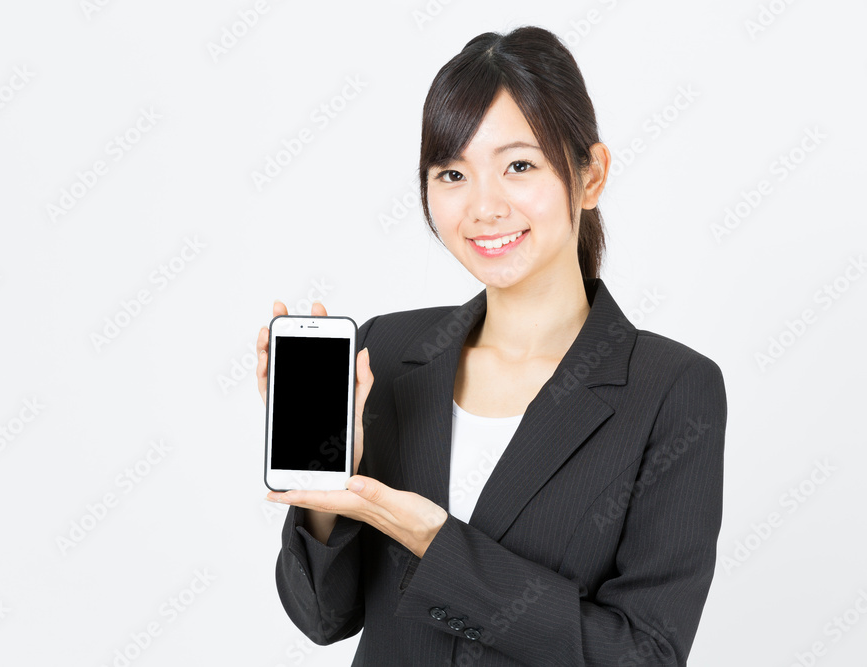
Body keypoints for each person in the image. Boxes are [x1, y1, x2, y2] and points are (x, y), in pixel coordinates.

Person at [256, 25, 727, 667]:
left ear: (590, 176)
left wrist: (433, 542)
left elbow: (644, 654)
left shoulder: (670, 388)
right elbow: (322, 618)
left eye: (519, 166)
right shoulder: (388, 353)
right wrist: (326, 501)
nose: (483, 206)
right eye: (452, 172)